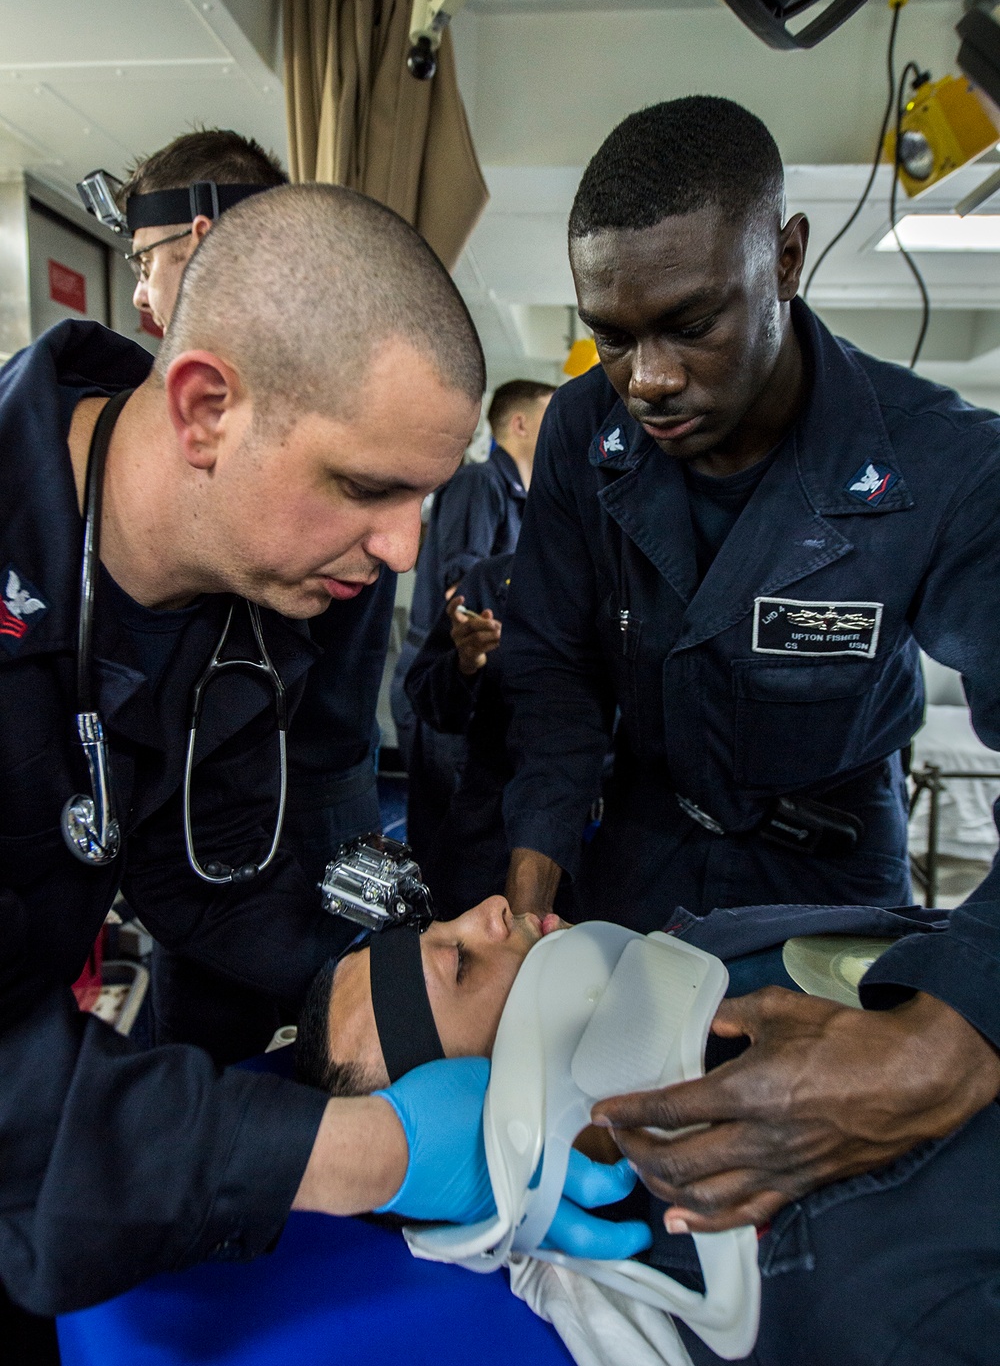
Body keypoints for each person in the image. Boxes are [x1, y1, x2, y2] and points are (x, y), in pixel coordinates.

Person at [0, 185, 634, 1347]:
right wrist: (366, 1149)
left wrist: (397, 1007)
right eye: (365, 487)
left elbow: (207, 882)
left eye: (424, 497)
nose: (402, 547)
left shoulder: (271, 579)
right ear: (204, 408)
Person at [501, 95, 1000, 933]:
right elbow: (556, 667)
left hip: (830, 867)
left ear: (786, 258)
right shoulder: (585, 431)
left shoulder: (944, 464)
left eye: (691, 325)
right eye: (613, 339)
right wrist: (533, 873)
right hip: (642, 842)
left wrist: (968, 993)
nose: (649, 381)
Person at [294, 895, 1000, 1365]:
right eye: (459, 962)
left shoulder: (693, 953)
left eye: (441, 926)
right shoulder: (845, 1282)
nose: (492, 906)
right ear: (499, 1110)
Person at [114, 129, 397, 1063]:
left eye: (145, 263)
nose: (140, 294)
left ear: (198, 241)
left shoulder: (323, 442)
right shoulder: (115, 454)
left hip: (275, 830)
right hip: (217, 847)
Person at [391, 379, 554, 864]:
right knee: (445, 839)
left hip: (480, 689)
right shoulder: (480, 482)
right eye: (553, 413)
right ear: (519, 423)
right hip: (443, 679)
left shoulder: (524, 497)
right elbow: (461, 592)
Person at [404, 551, 511, 917]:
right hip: (489, 826)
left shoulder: (625, 584)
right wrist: (465, 663)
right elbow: (424, 694)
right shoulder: (494, 579)